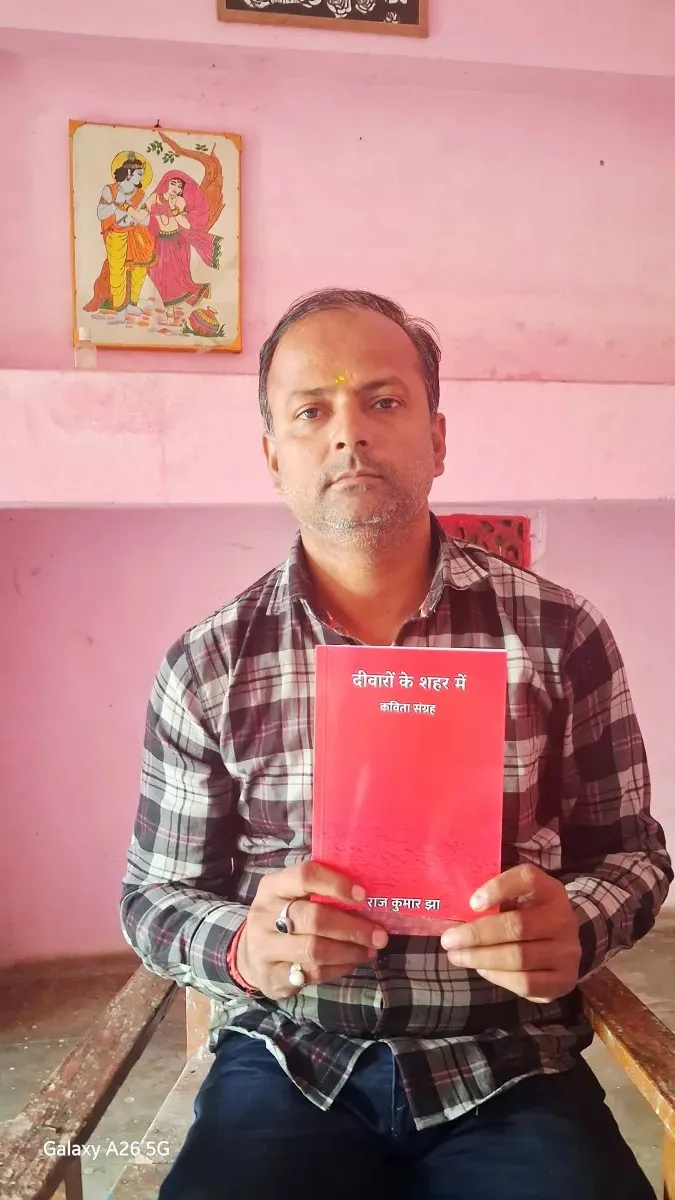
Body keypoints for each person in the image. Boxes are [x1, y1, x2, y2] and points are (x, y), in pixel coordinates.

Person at [121, 289, 672, 1200]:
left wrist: (575, 925)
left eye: (383, 400)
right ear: (273, 456)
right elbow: (152, 898)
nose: (348, 433)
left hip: (507, 1063)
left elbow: (634, 855)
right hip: (288, 1059)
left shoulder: (558, 633)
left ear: (437, 439)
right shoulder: (208, 664)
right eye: (311, 411)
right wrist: (244, 947)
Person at [84, 152, 155, 322]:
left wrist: (134, 214)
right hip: (116, 234)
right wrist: (117, 205)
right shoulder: (110, 190)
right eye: (139, 174)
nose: (141, 178)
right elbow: (101, 214)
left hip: (136, 233)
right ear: (129, 173)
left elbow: (145, 219)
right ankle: (120, 308)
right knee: (118, 270)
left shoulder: (141, 194)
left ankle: (132, 303)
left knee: (139, 269)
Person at [145, 172, 222, 313]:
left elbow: (186, 225)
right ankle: (173, 304)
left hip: (177, 243)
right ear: (166, 183)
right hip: (160, 241)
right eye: (173, 183)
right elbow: (141, 216)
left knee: (178, 277)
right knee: (156, 272)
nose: (175, 188)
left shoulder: (180, 201)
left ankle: (170, 309)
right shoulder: (154, 197)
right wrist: (126, 208)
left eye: (179, 186)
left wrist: (173, 208)